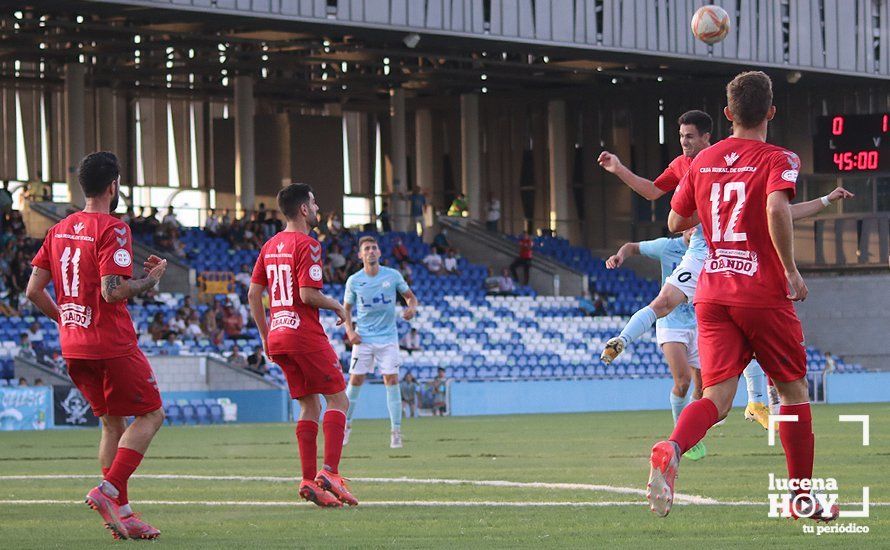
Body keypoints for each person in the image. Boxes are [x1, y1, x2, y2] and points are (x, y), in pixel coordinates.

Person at [645, 71, 840, 523]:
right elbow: (776, 207)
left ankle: (672, 446)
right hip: (761, 289)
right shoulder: (778, 157)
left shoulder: (703, 160)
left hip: (712, 292)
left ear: (728, 114)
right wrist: (791, 270)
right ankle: (801, 498)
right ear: (771, 112)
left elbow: (675, 222)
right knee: (792, 392)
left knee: (716, 395)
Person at [598, 109, 852, 429]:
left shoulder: (727, 160)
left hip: (732, 253)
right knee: (666, 303)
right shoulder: (685, 165)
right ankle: (621, 340)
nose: (684, 143)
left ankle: (756, 401)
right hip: (704, 250)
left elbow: (778, 210)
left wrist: (825, 200)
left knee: (745, 325)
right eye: (680, 137)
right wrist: (619, 168)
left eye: (690, 137)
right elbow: (653, 192)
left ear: (708, 136)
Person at [26, 151, 167, 539]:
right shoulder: (113, 228)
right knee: (152, 415)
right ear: (113, 185)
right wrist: (149, 280)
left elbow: (33, 290)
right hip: (111, 342)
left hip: (74, 346)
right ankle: (108, 491)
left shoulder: (59, 229)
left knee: (111, 424)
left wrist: (67, 320)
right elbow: (112, 291)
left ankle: (120, 514)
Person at [247, 183, 357, 508]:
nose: (318, 206)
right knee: (339, 400)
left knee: (309, 405)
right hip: (303, 334)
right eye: (314, 201)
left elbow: (254, 294)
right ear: (304, 209)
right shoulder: (308, 245)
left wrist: (266, 336)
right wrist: (337, 305)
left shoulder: (269, 246)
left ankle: (309, 481)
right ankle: (330, 473)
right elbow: (308, 295)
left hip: (278, 335)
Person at [606, 228, 707, 460]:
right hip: (670, 323)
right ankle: (679, 435)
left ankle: (688, 433)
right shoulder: (667, 247)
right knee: (683, 382)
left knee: (702, 388)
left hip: (697, 323)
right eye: (690, 225)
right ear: (683, 226)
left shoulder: (707, 246)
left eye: (697, 224)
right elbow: (632, 246)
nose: (694, 229)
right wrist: (620, 256)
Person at [342, 236, 419, 449]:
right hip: (364, 338)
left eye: (374, 248)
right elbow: (346, 309)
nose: (371, 251)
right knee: (355, 381)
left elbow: (410, 298)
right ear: (360, 255)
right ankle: (345, 427)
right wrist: (350, 331)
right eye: (366, 248)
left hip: (388, 339)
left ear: (379, 253)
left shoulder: (392, 276)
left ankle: (396, 431)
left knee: (391, 380)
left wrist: (411, 308)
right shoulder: (354, 280)